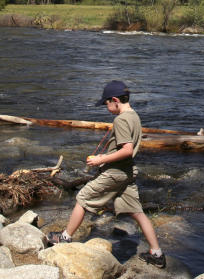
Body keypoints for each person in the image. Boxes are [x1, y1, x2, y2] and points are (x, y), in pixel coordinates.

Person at [48, 80, 166, 268]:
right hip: (127, 172)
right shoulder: (134, 116)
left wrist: (100, 160)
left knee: (82, 198)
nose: (106, 107)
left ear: (115, 100)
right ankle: (157, 253)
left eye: (106, 103)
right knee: (137, 212)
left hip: (115, 173)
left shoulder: (121, 120)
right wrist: (107, 155)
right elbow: (128, 149)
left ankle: (64, 238)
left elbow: (127, 149)